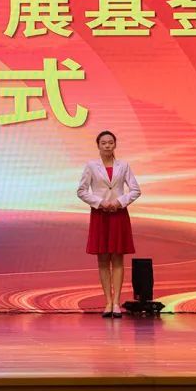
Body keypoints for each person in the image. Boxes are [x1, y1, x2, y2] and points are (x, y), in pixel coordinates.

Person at [77, 130, 141, 318]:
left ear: (115, 145)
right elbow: (81, 191)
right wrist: (100, 202)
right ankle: (107, 302)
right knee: (103, 259)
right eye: (103, 143)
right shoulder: (91, 165)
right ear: (98, 145)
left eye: (110, 142)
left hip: (119, 214)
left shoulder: (124, 165)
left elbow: (135, 190)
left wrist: (120, 202)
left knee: (118, 258)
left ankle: (116, 303)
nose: (107, 145)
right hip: (100, 214)